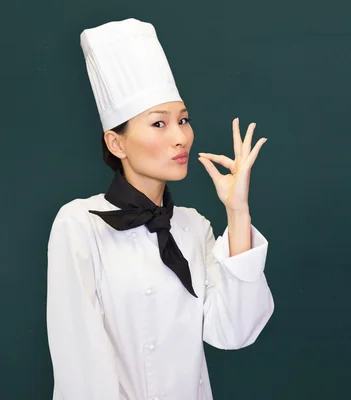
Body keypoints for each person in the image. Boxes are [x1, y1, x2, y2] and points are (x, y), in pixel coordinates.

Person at [46, 18, 274, 400]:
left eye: (183, 120)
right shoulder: (79, 224)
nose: (180, 137)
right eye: (159, 124)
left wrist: (238, 212)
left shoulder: (193, 226)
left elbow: (234, 331)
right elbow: (80, 365)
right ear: (117, 144)